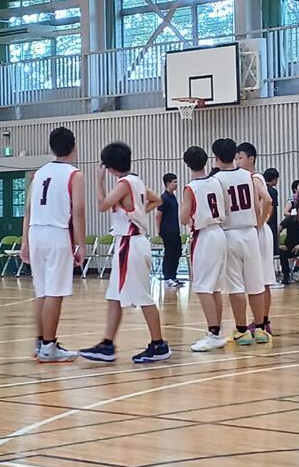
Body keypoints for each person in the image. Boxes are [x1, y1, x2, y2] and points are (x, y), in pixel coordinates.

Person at [80, 142, 172, 364]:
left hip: (130, 244)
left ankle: (159, 344)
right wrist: (139, 213)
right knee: (114, 296)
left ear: (109, 166)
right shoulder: (136, 181)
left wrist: (99, 181)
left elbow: (102, 205)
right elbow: (156, 199)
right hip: (130, 243)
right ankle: (107, 344)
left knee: (142, 297)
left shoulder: (123, 184)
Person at [20, 127, 86, 363]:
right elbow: (78, 211)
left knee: (42, 291)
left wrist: (24, 241)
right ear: (74, 146)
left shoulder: (38, 174)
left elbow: (28, 210)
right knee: (55, 292)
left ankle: (41, 342)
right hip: (57, 234)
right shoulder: (74, 174)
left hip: (36, 232)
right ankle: (49, 346)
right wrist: (81, 244)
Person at [212, 138, 269, 345]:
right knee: (256, 283)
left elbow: (217, 210)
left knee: (235, 285)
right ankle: (260, 329)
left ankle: (242, 330)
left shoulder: (216, 180)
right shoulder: (248, 175)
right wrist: (258, 224)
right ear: (234, 155)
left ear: (217, 158)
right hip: (250, 231)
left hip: (229, 232)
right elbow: (258, 204)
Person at [180, 146, 227, 351]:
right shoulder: (216, 181)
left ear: (187, 163)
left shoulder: (191, 188)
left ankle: (214, 334)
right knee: (214, 287)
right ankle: (216, 332)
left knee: (202, 287)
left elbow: (183, 219)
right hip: (219, 232)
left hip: (204, 236)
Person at [236, 142, 275, 335]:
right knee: (260, 278)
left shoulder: (254, 177)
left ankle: (263, 320)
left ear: (251, 159)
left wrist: (260, 222)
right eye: (236, 158)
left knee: (262, 278)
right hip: (257, 231)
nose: (237, 161)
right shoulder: (246, 178)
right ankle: (262, 320)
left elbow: (268, 200)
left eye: (240, 158)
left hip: (258, 232)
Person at [156, 172, 183, 288]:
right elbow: (158, 215)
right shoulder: (164, 198)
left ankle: (173, 276)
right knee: (169, 254)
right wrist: (159, 231)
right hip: (167, 231)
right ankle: (167, 277)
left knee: (177, 252)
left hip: (175, 230)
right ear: (168, 183)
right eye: (174, 182)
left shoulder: (173, 197)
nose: (176, 184)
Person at [278, 214, 299, 285]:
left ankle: (296, 271)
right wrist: (278, 245)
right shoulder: (290, 218)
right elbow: (278, 229)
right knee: (282, 253)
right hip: (289, 245)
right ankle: (286, 275)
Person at [263, 167, 280, 257]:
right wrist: (267, 219)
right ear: (274, 179)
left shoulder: (260, 188)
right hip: (270, 222)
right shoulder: (273, 191)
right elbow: (272, 207)